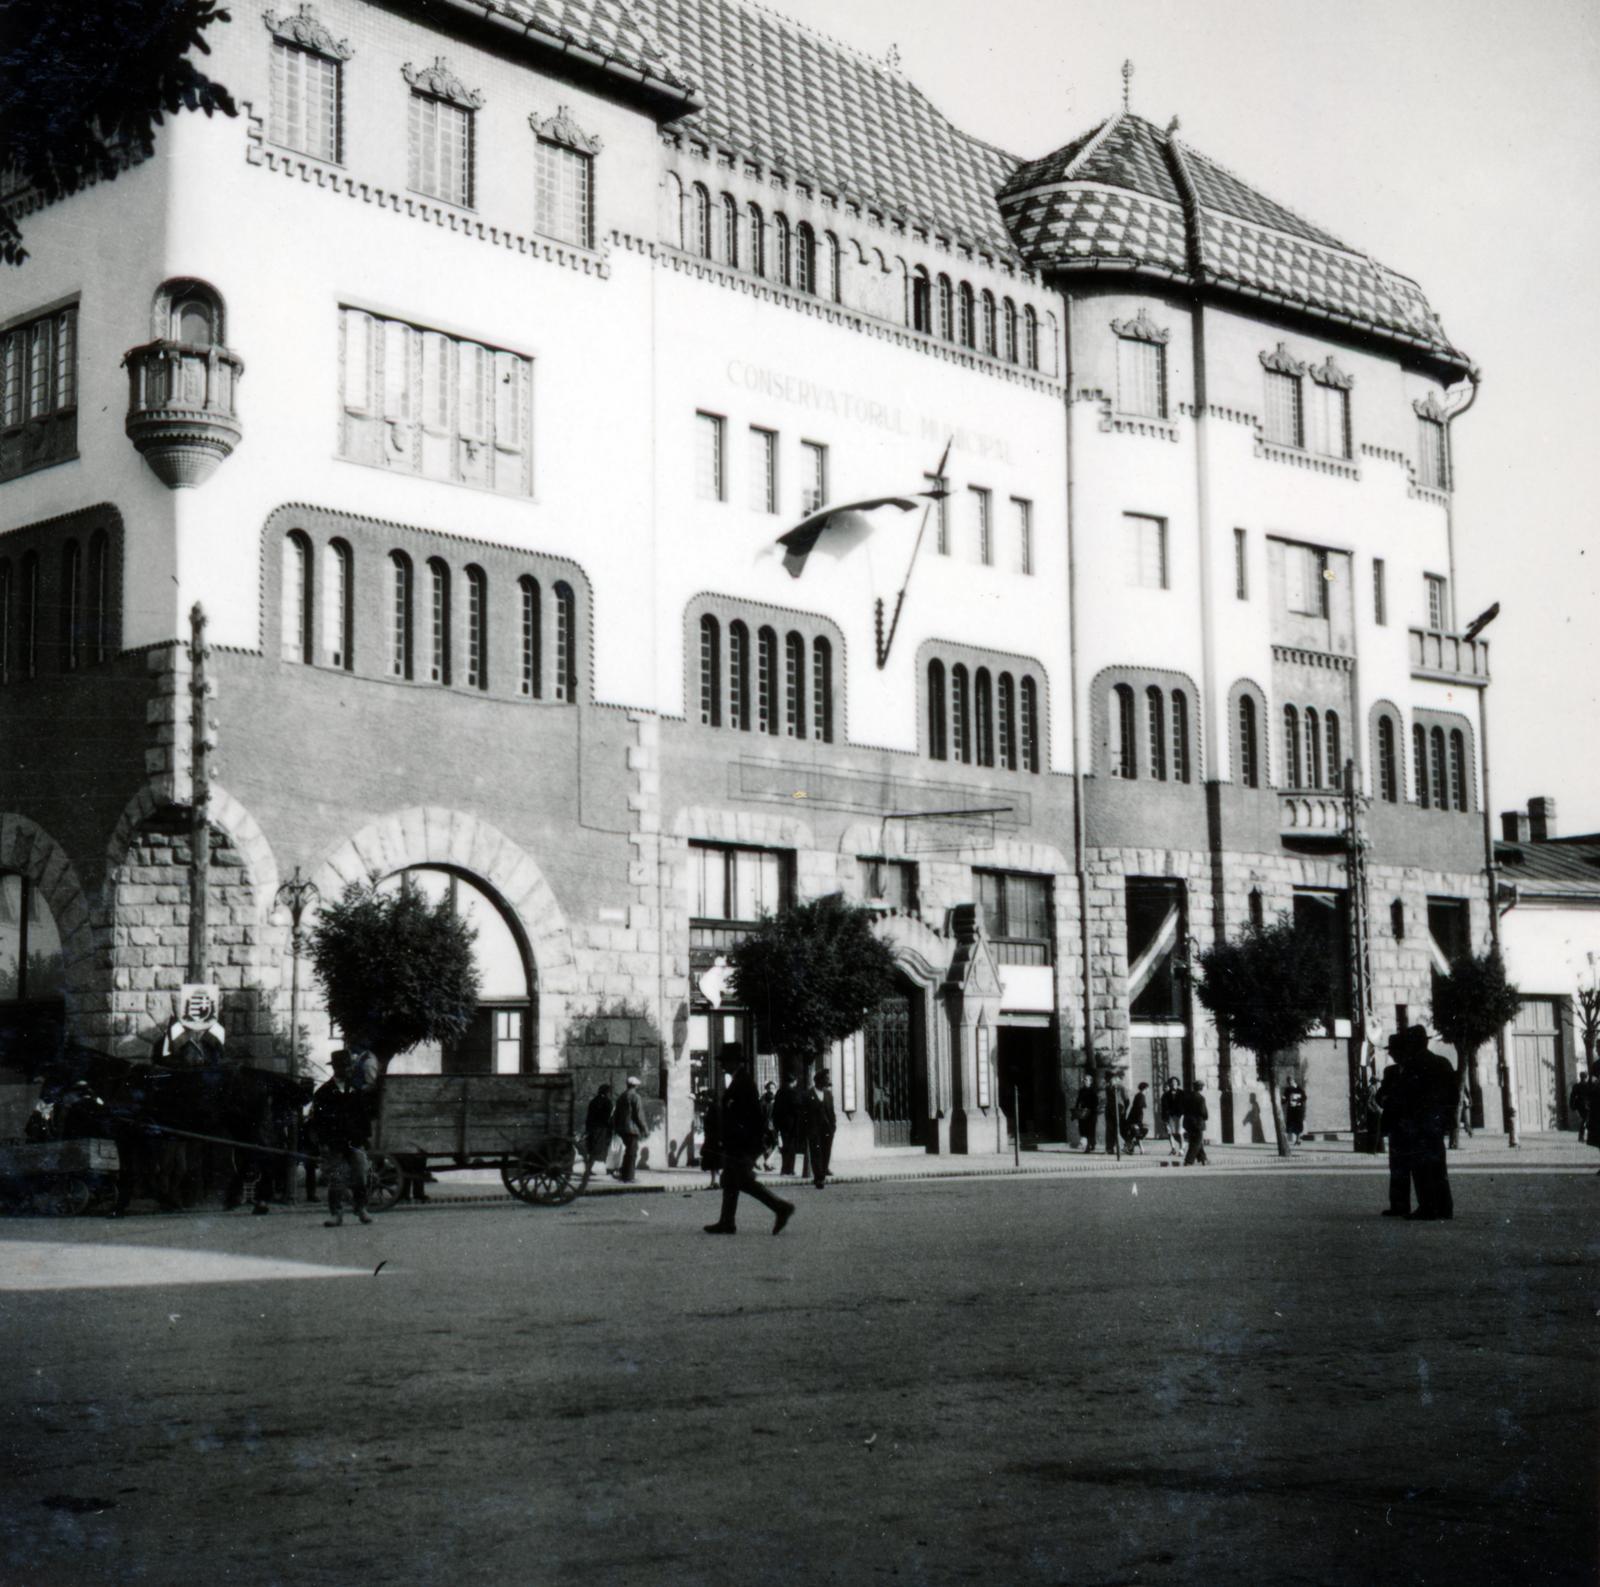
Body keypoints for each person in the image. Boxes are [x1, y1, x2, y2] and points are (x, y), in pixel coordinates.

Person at [703, 1058, 795, 1236]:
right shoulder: (740, 1080)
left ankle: (781, 1208)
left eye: (725, 1060)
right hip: (737, 1143)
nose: (722, 1065)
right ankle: (727, 1222)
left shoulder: (743, 1082)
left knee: (742, 1181)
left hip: (742, 1144)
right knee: (731, 1180)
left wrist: (749, 1146)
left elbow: (750, 1116)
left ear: (733, 1061)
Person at [311, 1051, 373, 1227]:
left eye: (347, 1066)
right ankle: (336, 1213)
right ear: (335, 1068)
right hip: (334, 1142)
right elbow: (318, 1121)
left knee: (361, 1175)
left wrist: (365, 1138)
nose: (345, 1069)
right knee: (337, 1179)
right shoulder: (323, 1093)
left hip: (355, 1141)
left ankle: (361, 1209)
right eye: (341, 1066)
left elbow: (364, 1116)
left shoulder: (356, 1090)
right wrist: (323, 1142)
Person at [1404, 1026, 1456, 1221]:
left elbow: (1407, 1096)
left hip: (1419, 1122)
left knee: (1421, 1166)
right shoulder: (1443, 1063)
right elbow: (1454, 1094)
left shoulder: (1412, 1065)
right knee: (1438, 1167)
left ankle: (1427, 1207)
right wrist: (1449, 1119)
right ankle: (1445, 1207)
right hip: (1437, 1122)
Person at [1375, 1035, 1413, 1217]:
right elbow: (1380, 1094)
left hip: (1414, 1126)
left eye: (1393, 1050)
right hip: (1396, 1127)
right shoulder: (1390, 1072)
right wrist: (1384, 1099)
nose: (1390, 1054)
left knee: (1419, 1168)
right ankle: (1399, 1205)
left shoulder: (1416, 1069)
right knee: (1397, 1167)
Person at [610, 1075, 648, 1183]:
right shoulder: (636, 1097)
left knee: (628, 1152)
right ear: (635, 1086)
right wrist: (645, 1129)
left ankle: (624, 1173)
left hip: (622, 1129)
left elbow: (616, 1113)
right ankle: (629, 1176)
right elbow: (639, 1115)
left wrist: (617, 1127)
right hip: (632, 1129)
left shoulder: (622, 1096)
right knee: (632, 1153)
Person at [806, 1068, 837, 1188]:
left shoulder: (828, 1094)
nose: (828, 1080)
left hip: (827, 1129)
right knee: (816, 1152)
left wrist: (833, 1126)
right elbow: (805, 1114)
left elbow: (832, 1112)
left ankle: (822, 1175)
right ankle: (818, 1177)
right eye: (826, 1078)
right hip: (814, 1129)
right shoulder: (809, 1094)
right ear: (819, 1080)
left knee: (826, 1152)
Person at [771, 1073, 802, 1175]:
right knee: (791, 1147)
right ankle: (790, 1169)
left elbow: (775, 1109)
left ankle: (784, 1168)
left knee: (785, 1146)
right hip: (792, 1124)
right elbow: (796, 1109)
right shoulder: (793, 1093)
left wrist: (776, 1124)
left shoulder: (779, 1092)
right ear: (793, 1082)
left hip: (781, 1124)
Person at [583, 1083, 614, 1173]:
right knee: (599, 1149)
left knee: (592, 1149)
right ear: (607, 1092)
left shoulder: (593, 1101)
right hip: (601, 1129)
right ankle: (591, 1169)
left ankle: (588, 1168)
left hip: (592, 1128)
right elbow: (608, 1117)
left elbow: (589, 1117)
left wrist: (588, 1128)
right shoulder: (607, 1102)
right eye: (609, 1092)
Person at [1180, 1084, 1209, 1166]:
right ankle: (1188, 1160)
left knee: (1195, 1141)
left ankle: (1203, 1159)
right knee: (1196, 1142)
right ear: (1201, 1088)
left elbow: (1183, 1109)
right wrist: (1206, 1117)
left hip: (1188, 1122)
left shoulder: (1187, 1097)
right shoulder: (1200, 1098)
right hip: (1198, 1122)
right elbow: (1203, 1111)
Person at [1159, 1077, 1184, 1157]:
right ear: (1170, 1084)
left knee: (1180, 1133)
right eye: (1172, 1082)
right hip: (1170, 1116)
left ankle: (1181, 1149)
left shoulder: (1182, 1093)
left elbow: (1185, 1104)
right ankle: (1173, 1148)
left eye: (1175, 1082)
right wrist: (1164, 1117)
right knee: (1170, 1133)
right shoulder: (1165, 1095)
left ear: (1177, 1083)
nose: (1173, 1084)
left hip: (1180, 1115)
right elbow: (1163, 1107)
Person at [1074, 1074, 1099, 1152]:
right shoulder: (1081, 1090)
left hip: (1091, 1113)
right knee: (1084, 1129)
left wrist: (1091, 1109)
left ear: (1090, 1082)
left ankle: (1089, 1146)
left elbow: (1096, 1102)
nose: (1084, 1081)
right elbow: (1078, 1100)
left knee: (1090, 1129)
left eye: (1086, 1080)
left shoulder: (1093, 1091)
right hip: (1083, 1112)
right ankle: (1091, 1143)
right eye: (1084, 1079)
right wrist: (1076, 1109)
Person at [1122, 1082, 1149, 1152]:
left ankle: (1135, 1147)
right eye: (1147, 1089)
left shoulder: (1139, 1095)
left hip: (1134, 1117)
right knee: (1139, 1133)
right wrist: (1140, 1121)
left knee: (1135, 1134)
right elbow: (1140, 1109)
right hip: (1136, 1118)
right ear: (1145, 1088)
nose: (1148, 1090)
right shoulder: (1141, 1096)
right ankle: (1130, 1146)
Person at [759, 1080, 779, 1171]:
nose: (771, 1090)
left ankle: (768, 1162)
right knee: (767, 1144)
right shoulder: (763, 1100)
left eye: (773, 1088)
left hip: (774, 1125)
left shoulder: (777, 1099)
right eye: (769, 1088)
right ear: (766, 1089)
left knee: (775, 1144)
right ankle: (768, 1163)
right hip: (765, 1125)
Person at [1567, 1070, 1590, 1144]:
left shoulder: (1576, 1086)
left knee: (1585, 1119)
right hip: (1586, 1105)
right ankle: (1582, 1136)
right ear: (1585, 1077)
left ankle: (1581, 1136)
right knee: (1585, 1120)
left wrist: (1572, 1106)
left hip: (1580, 1105)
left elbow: (1572, 1096)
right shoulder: (1588, 1086)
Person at [1282, 1078, 1307, 1145]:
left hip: (1298, 1110)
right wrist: (1283, 1100)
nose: (1290, 1083)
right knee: (1289, 1124)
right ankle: (1286, 1141)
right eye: (1289, 1082)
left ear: (1293, 1081)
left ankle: (1298, 1139)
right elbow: (1285, 1099)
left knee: (1298, 1124)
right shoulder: (1287, 1090)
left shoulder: (1300, 1089)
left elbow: (1304, 1097)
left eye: (1291, 1082)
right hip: (1291, 1110)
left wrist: (1298, 1101)